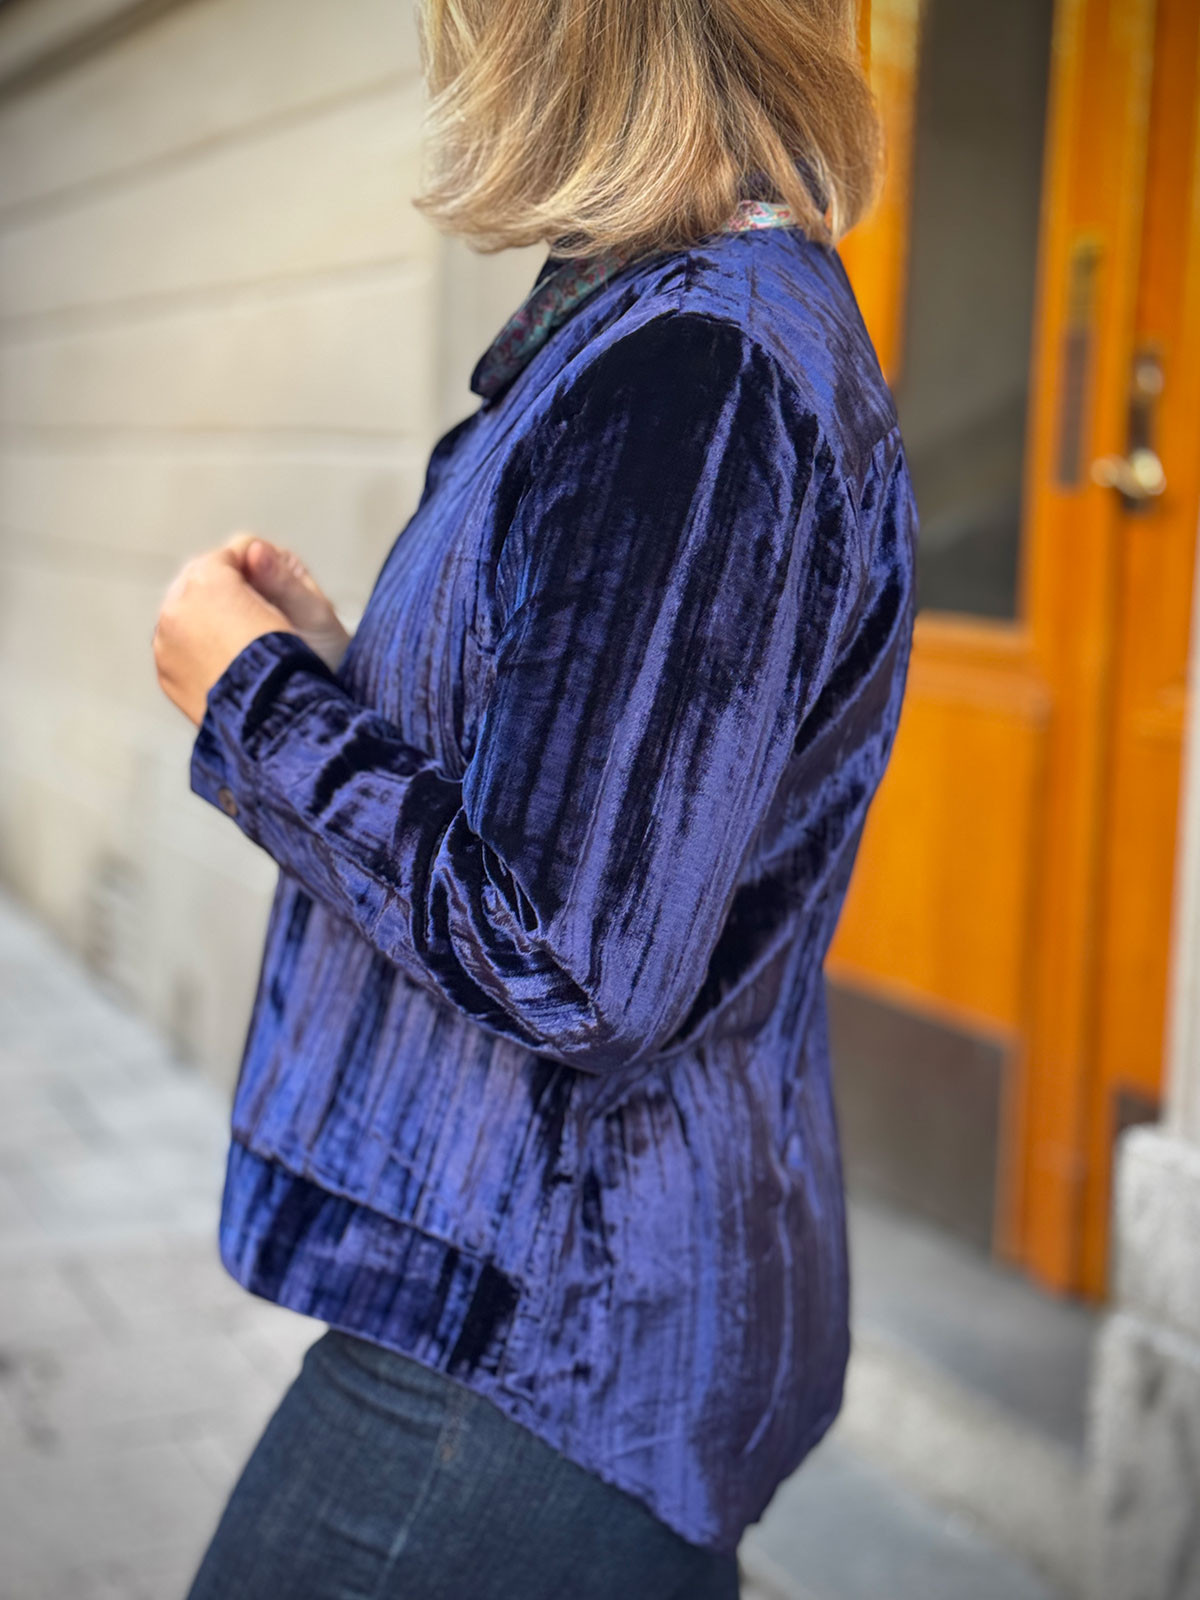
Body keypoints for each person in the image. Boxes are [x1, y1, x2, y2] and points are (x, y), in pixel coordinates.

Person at [152, 1, 916, 1595]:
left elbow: (571, 953)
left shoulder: (700, 376)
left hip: (542, 1334)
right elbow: (608, 783)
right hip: (575, 1307)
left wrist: (253, 701)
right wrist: (348, 668)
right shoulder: (685, 329)